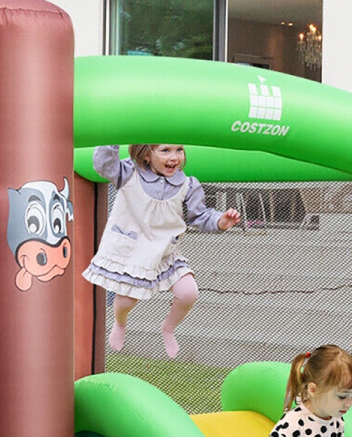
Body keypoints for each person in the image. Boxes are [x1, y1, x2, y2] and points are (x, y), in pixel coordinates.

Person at [82, 144, 240, 358]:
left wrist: (220, 221)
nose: (174, 157)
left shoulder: (187, 184)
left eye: (179, 150)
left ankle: (168, 328)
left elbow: (200, 216)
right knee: (126, 301)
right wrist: (113, 137)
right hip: (133, 252)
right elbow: (103, 164)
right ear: (146, 155)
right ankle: (120, 322)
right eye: (165, 151)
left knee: (188, 293)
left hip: (165, 252)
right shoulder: (129, 174)